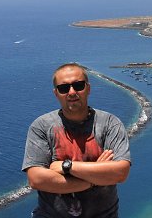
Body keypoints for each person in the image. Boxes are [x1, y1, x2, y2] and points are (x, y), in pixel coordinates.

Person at [22, 63, 131, 217]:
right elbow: (36, 179)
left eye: (78, 85)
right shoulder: (41, 126)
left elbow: (120, 173)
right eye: (64, 88)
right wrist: (95, 179)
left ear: (88, 88)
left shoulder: (110, 124)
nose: (72, 92)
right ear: (56, 93)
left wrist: (66, 167)